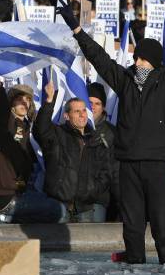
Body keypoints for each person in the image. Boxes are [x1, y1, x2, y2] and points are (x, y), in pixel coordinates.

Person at [55, 0, 165, 264]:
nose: (138, 62)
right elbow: (98, 57)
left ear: (154, 62)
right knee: (132, 226)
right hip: (129, 163)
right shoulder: (125, 80)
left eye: (143, 59)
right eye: (137, 57)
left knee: (162, 225)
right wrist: (76, 29)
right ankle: (134, 268)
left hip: (158, 163)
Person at [0, 76, 65, 224]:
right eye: (19, 99)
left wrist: (49, 101)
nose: (24, 102)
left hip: (23, 192)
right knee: (58, 210)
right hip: (6, 195)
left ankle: (2, 219)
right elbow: (2, 109)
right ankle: (1, 217)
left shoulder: (28, 129)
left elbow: (42, 126)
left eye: (28, 99)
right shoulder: (6, 125)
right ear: (11, 103)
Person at [34, 81, 113, 222]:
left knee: (86, 244)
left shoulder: (96, 139)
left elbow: (106, 173)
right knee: (56, 243)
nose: (83, 115)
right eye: (77, 111)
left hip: (86, 207)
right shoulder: (57, 134)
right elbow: (41, 129)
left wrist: (91, 192)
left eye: (84, 110)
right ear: (66, 116)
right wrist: (49, 101)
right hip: (59, 206)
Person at [87, 82, 121, 221]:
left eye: (97, 103)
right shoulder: (72, 128)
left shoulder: (112, 133)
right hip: (72, 198)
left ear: (104, 107)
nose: (93, 107)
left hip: (98, 199)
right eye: (90, 102)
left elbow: (115, 170)